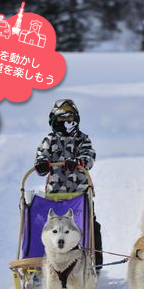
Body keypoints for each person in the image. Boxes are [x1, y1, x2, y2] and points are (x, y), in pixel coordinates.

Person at [34, 99, 103, 267]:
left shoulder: (82, 139)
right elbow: (41, 157)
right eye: (61, 119)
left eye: (69, 118)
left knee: (91, 226)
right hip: (55, 194)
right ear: (54, 121)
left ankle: (96, 264)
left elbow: (89, 157)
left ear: (75, 119)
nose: (66, 123)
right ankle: (40, 260)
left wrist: (79, 162)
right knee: (47, 227)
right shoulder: (49, 140)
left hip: (79, 194)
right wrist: (42, 163)